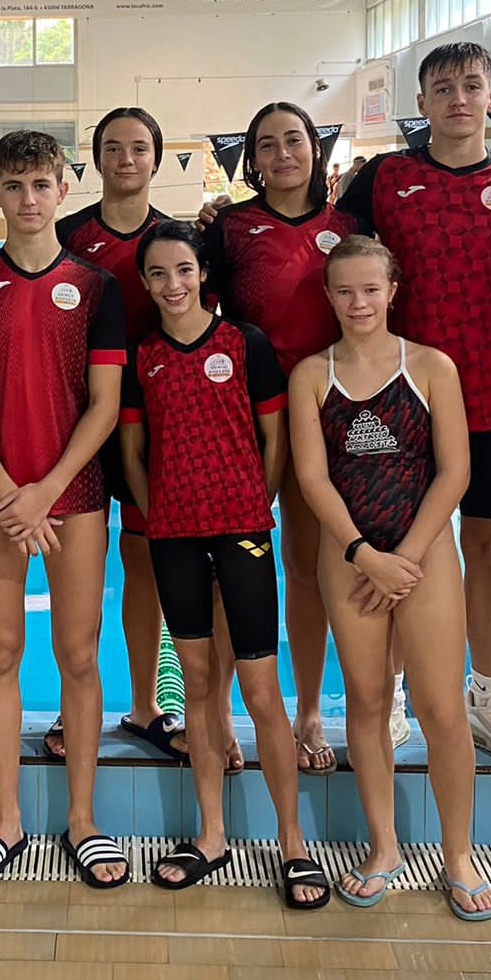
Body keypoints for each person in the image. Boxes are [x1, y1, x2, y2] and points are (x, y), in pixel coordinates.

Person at [335, 43, 491, 777]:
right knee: (403, 548)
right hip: (400, 401)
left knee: (488, 549)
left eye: (471, 86)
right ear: (423, 104)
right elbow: (326, 252)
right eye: (442, 88)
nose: (458, 98)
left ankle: (488, 697)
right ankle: (395, 693)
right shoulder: (387, 178)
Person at [121, 220, 327, 908]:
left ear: (202, 273)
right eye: (157, 274)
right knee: (201, 686)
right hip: (174, 536)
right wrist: (160, 516)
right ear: (146, 284)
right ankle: (212, 833)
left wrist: (253, 503)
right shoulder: (142, 355)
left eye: (182, 270)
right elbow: (132, 449)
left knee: (261, 690)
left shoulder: (245, 344)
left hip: (242, 532)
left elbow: (275, 437)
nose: (171, 285)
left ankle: (292, 841)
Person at [290, 235, 491, 920]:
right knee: (368, 703)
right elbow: (312, 478)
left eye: (371, 289)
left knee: (441, 710)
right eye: (344, 291)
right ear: (328, 296)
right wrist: (363, 554)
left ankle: (459, 855)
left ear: (393, 290)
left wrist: (403, 556)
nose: (359, 303)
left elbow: (456, 472)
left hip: (426, 553)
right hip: (348, 557)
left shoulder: (432, 367)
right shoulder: (311, 375)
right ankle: (384, 847)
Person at [0, 130, 128, 891]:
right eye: (13, 186)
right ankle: (6, 819)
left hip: (74, 496)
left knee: (80, 658)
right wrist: (14, 495)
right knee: (0, 655)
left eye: (41, 185)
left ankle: (82, 818)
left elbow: (105, 405)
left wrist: (46, 490)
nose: (27, 200)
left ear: (62, 189)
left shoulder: (95, 287)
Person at [201, 100, 359, 776]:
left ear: (315, 148)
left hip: (336, 415)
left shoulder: (349, 226)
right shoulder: (230, 228)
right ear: (252, 158)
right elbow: (188, 305)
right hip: (252, 417)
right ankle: (223, 713)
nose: (282, 154)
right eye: (267, 144)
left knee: (321, 567)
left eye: (293, 140)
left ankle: (311, 709)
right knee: (247, 564)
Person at [55, 107, 190, 763]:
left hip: (155, 423)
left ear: (157, 158)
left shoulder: (178, 239)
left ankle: (143, 705)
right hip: (75, 421)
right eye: (113, 148)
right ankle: (69, 705)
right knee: (73, 566)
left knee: (141, 565)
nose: (126, 159)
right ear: (97, 158)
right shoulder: (68, 234)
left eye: (139, 147)